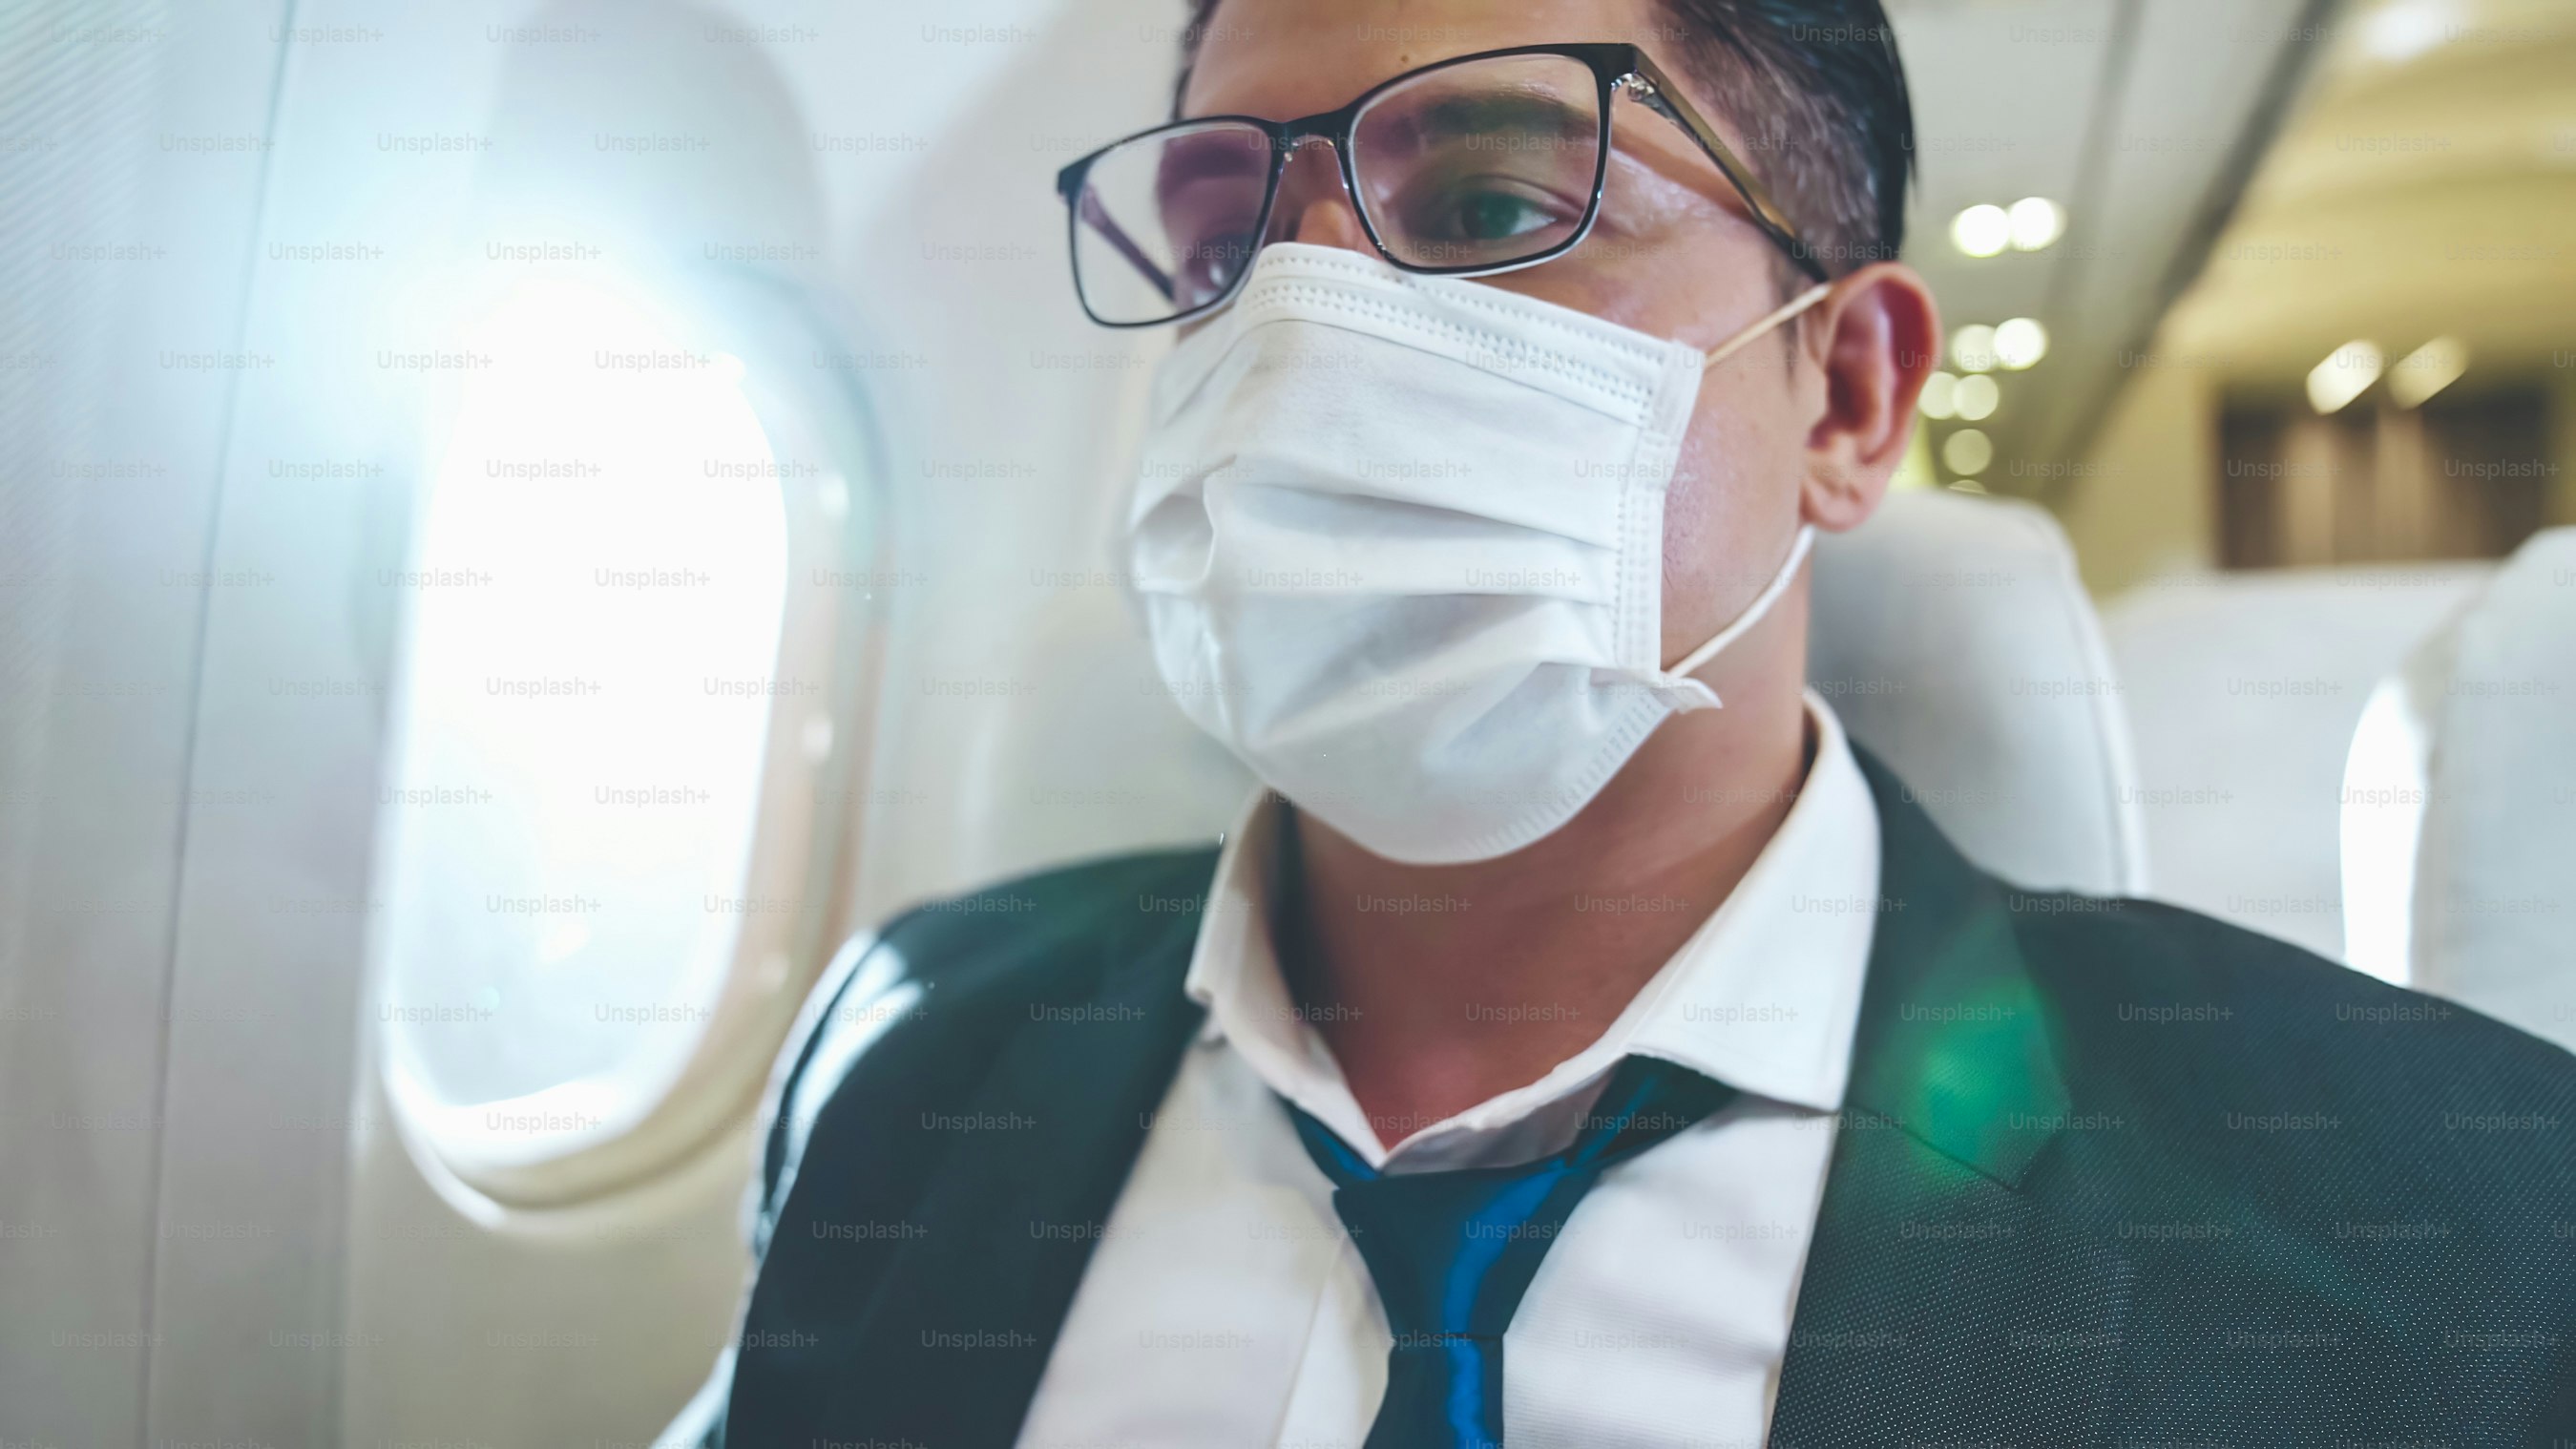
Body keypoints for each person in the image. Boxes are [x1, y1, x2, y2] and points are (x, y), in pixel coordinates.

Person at [675, 1, 2576, 1443]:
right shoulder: (910, 1054)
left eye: (1497, 200)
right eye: (1219, 253)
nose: (1300, 336)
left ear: (1844, 396)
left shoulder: (2452, 1221)